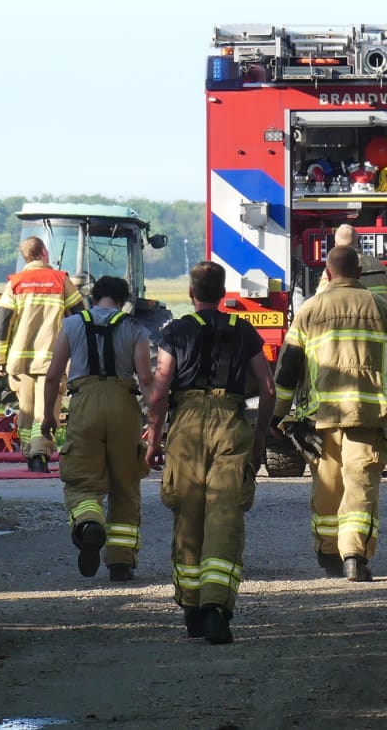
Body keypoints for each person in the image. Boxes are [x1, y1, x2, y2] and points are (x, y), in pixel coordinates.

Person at [272, 246, 387, 583]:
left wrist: (277, 417)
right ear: (358, 273)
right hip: (368, 416)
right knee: (360, 484)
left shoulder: (310, 310)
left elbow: (288, 369)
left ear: (327, 274)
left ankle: (328, 555)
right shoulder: (380, 307)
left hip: (320, 418)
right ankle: (354, 557)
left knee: (327, 486)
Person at [144, 261, 275, 645]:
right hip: (231, 423)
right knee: (224, 515)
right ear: (222, 294)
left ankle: (191, 609)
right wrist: (260, 437)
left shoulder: (175, 331)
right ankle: (217, 609)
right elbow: (268, 389)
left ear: (191, 293)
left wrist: (154, 437)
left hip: (185, 425)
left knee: (188, 514)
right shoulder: (243, 330)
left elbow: (159, 391)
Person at [42, 275, 154, 581]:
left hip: (84, 403)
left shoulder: (72, 325)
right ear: (123, 300)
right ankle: (121, 563)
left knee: (83, 480)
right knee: (125, 485)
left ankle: (90, 523)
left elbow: (53, 375)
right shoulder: (136, 328)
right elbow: (145, 379)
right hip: (123, 405)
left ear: (94, 296)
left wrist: (49, 415)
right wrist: (156, 421)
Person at [324, 224, 387, 483]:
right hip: (377, 347)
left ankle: (346, 461)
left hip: (341, 349)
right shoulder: (380, 267)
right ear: (359, 242)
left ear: (336, 243)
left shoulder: (333, 269)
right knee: (385, 406)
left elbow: (323, 306)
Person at [0, 236, 83, 463]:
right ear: (43, 253)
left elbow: (3, 323)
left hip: (20, 361)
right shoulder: (60, 280)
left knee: (27, 409)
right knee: (46, 409)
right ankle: (40, 451)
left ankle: (27, 451)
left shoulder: (14, 284)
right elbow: (80, 315)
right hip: (53, 358)